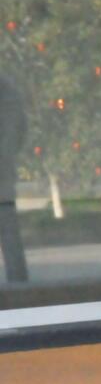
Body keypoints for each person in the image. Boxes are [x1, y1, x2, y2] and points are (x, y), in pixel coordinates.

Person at [0, 72, 29, 284]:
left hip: (2, 184)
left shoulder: (5, 90)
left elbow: (15, 131)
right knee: (10, 236)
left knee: (9, 236)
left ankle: (19, 291)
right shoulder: (7, 90)